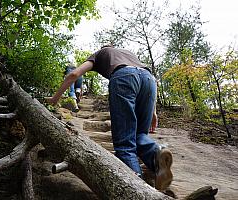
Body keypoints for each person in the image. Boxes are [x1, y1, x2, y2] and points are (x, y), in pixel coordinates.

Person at [46, 46, 173, 191]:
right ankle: (156, 155)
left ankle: (136, 187)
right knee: (139, 135)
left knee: (125, 144)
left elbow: (74, 74)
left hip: (124, 77)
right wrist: (154, 111)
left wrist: (55, 98)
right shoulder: (129, 52)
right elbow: (145, 75)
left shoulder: (100, 54)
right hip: (149, 81)